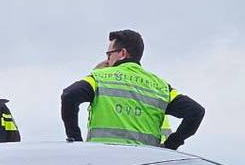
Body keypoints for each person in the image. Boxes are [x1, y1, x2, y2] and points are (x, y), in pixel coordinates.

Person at [60, 29, 204, 149]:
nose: (107, 59)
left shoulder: (99, 78)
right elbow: (196, 111)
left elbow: (69, 95)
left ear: (122, 53)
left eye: (109, 54)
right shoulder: (161, 86)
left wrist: (76, 143)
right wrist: (170, 146)